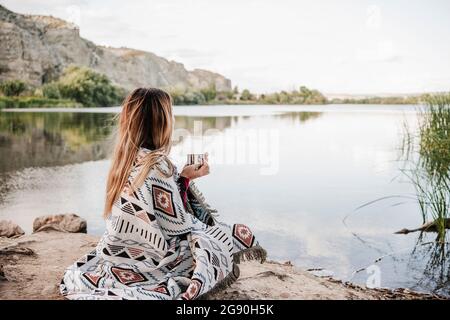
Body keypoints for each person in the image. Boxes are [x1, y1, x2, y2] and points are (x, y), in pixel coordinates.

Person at [60, 87, 266, 300]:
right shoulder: (159, 165)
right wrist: (183, 182)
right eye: (171, 114)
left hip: (117, 251)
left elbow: (157, 211)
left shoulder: (125, 160)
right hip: (152, 259)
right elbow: (178, 226)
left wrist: (184, 178)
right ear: (162, 122)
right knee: (220, 237)